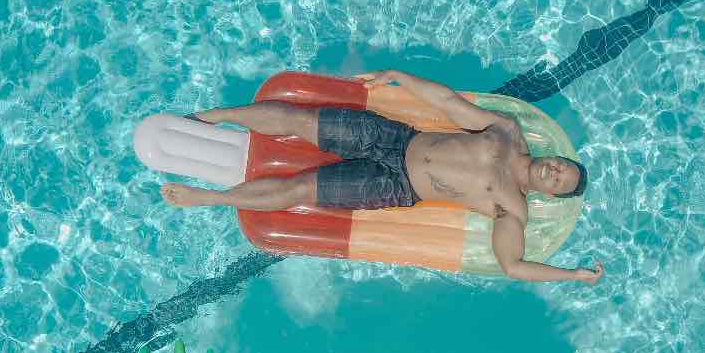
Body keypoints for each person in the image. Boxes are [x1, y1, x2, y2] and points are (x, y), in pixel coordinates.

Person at [160, 69, 604, 284]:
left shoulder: (511, 208)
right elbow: (449, 104)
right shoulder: (507, 131)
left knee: (300, 189)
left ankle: (210, 198)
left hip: (394, 186)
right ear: (554, 157)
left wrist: (573, 275)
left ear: (550, 193)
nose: (554, 172)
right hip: (395, 137)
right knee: (300, 119)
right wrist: (397, 77)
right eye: (561, 166)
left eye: (558, 181)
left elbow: (512, 266)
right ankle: (213, 116)